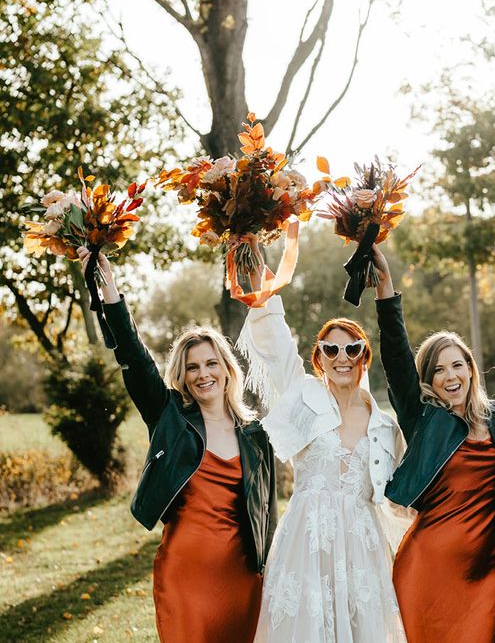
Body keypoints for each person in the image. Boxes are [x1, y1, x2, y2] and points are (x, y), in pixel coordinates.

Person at [76, 247, 277, 643]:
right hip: (184, 574)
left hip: (241, 578)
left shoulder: (255, 437)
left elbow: (266, 511)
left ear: (226, 369)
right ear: (182, 377)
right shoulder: (170, 417)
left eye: (211, 363)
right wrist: (110, 290)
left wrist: (269, 568)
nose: (203, 374)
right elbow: (133, 354)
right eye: (192, 367)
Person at [234, 247, 407, 642]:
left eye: (352, 349)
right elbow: (277, 346)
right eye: (331, 349)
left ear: (365, 356)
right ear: (319, 359)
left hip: (362, 552)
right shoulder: (303, 398)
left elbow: (397, 502)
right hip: (307, 545)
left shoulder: (384, 427)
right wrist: (262, 275)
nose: (341, 357)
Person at [371, 245, 495, 643]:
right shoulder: (424, 420)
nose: (450, 376)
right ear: (429, 380)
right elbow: (398, 359)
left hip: (487, 573)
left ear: (471, 368)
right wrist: (386, 290)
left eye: (457, 365)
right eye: (438, 370)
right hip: (426, 569)